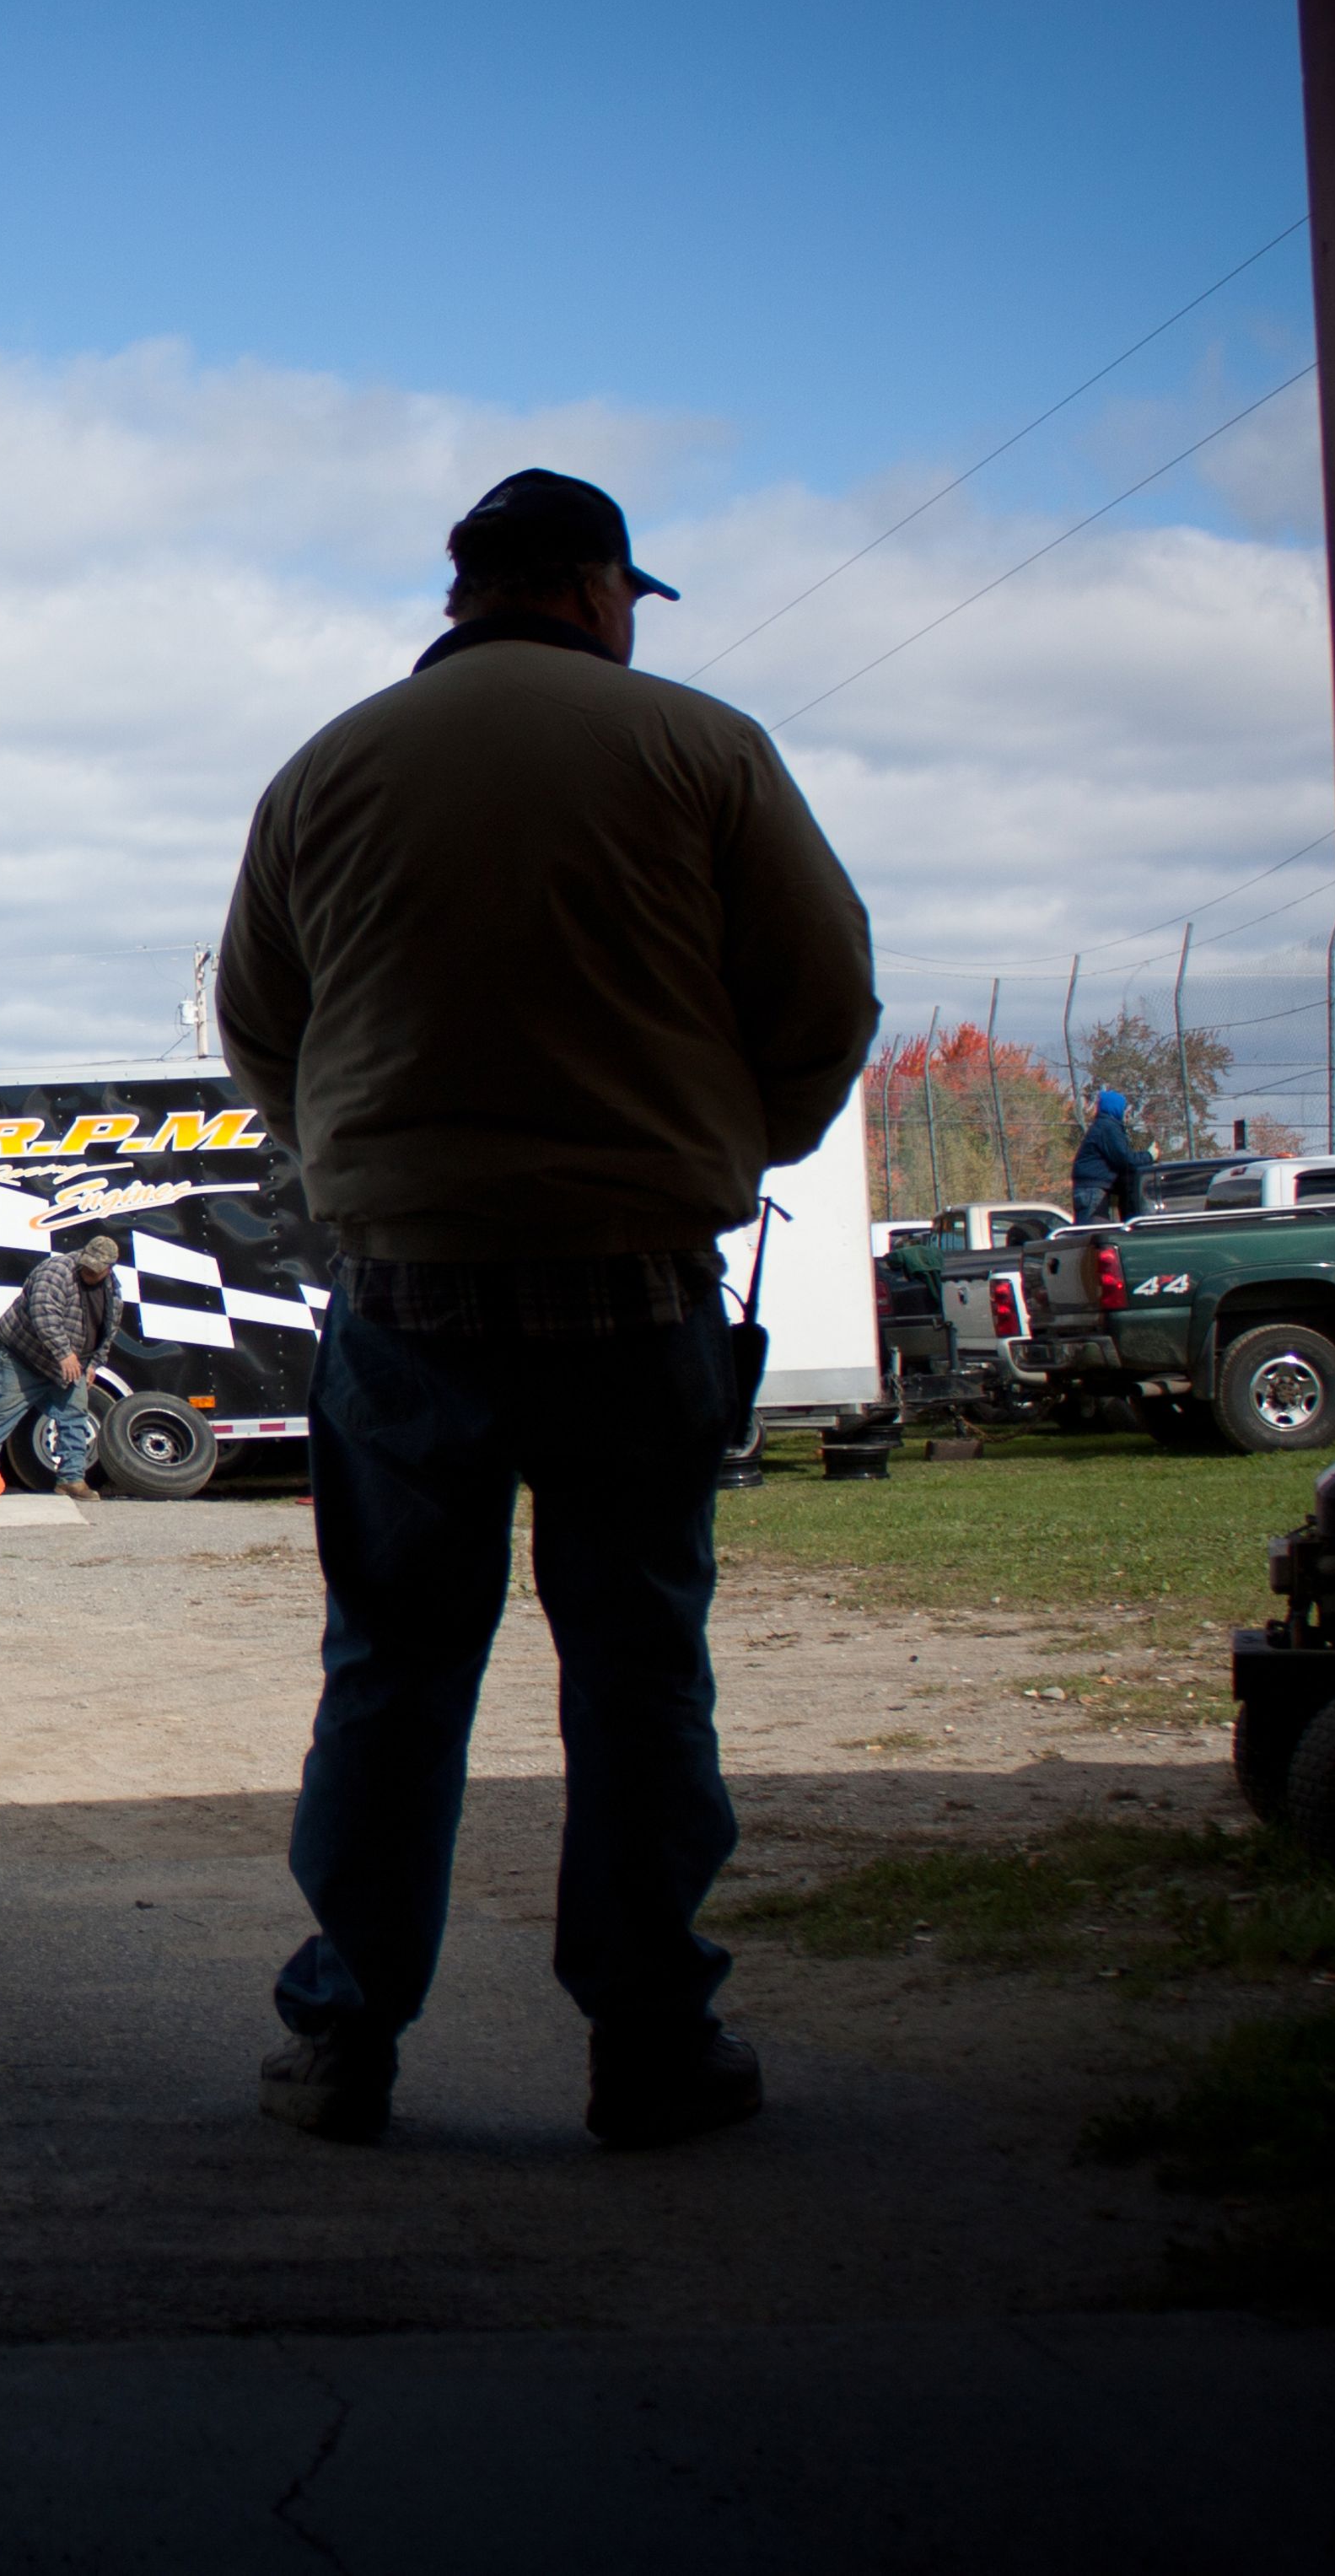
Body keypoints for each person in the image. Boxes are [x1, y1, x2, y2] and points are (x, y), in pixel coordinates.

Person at [216, 467, 878, 2153]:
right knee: (638, 1665)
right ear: (598, 591)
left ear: (462, 595)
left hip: (406, 1294)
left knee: (391, 1668)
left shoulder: (327, 769)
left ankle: (344, 2039)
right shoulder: (705, 750)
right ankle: (650, 2044)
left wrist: (364, 1165)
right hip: (634, 1285)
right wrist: (726, 1142)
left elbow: (261, 1028)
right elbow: (824, 994)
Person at [0, 1235, 119, 1500]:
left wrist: (93, 1364)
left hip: (70, 1363)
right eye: (87, 1265)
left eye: (96, 1270)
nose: (89, 1272)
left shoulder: (112, 1289)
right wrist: (64, 1353)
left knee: (75, 1416)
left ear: (109, 1269)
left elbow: (108, 1329)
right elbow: (44, 1312)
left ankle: (71, 1479)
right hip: (24, 1355)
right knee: (3, 1412)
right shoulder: (56, 1271)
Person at [1072, 1088, 1149, 1223]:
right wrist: (1149, 1156)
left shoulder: (1104, 1126)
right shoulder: (1108, 1128)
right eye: (1124, 1108)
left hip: (1089, 1190)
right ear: (1115, 1108)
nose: (1127, 1112)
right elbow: (1124, 1159)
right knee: (1094, 1232)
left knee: (1095, 1229)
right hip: (1092, 1190)